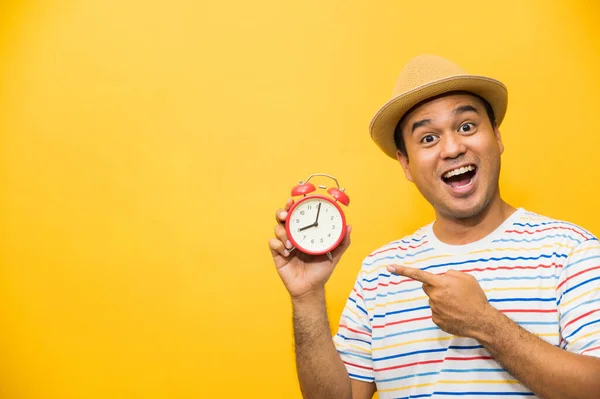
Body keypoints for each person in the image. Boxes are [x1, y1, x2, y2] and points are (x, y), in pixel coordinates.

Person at [269, 54, 600, 399]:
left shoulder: (571, 251)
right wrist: (306, 298)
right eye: (428, 138)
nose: (453, 148)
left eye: (467, 127)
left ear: (497, 137)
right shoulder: (380, 272)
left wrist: (485, 323)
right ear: (406, 164)